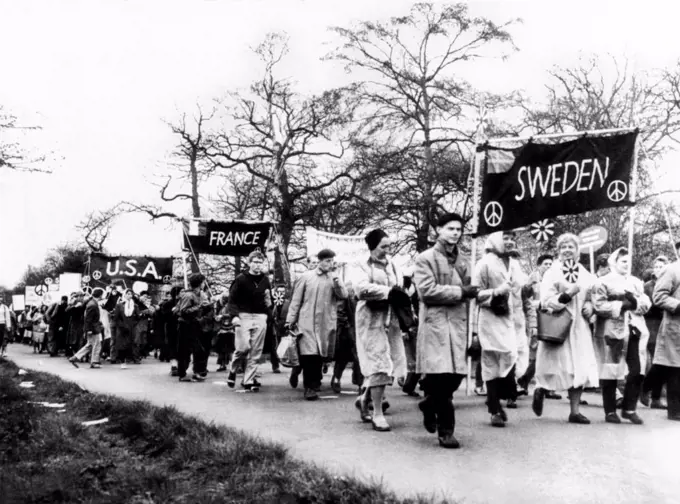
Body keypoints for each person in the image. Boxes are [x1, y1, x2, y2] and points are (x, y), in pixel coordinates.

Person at [413, 213, 479, 449]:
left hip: (459, 325)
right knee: (441, 379)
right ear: (438, 230)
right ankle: (446, 431)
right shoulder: (425, 258)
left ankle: (429, 404)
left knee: (457, 375)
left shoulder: (465, 261)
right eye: (450, 228)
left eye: (459, 229)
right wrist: (461, 292)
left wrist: (474, 329)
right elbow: (427, 291)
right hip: (436, 324)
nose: (455, 233)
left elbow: (473, 294)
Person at [531, 233, 599, 424]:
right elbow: (546, 301)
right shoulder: (552, 273)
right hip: (558, 325)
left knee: (579, 366)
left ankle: (574, 411)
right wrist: (566, 296)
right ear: (559, 252)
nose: (568, 250)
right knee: (555, 364)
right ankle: (541, 388)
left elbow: (594, 295)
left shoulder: (585, 273)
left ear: (578, 251)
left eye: (571, 246)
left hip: (579, 328)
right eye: (564, 247)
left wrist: (591, 306)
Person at [473, 231, 529, 427]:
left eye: (513, 238)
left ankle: (497, 396)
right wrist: (496, 292)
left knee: (512, 357)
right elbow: (475, 293)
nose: (510, 242)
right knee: (491, 362)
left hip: (512, 321)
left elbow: (521, 292)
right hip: (491, 319)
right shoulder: (484, 264)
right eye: (506, 238)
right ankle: (494, 408)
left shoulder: (514, 264)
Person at [354, 229, 407, 432]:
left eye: (389, 246)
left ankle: (364, 397)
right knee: (379, 364)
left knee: (390, 362)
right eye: (383, 246)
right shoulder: (361, 264)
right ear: (372, 246)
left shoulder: (393, 264)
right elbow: (360, 288)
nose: (387, 250)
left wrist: (400, 294)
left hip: (390, 319)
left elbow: (399, 285)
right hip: (369, 319)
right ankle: (377, 413)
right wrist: (388, 292)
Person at [591, 247, 651, 425]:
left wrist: (635, 303)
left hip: (633, 329)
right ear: (614, 262)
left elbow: (646, 302)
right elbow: (599, 306)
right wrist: (620, 305)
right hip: (612, 330)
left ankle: (629, 408)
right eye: (623, 261)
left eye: (628, 261)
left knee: (637, 370)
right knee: (611, 371)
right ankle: (610, 410)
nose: (627, 264)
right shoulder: (602, 282)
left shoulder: (635, 282)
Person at [286, 248, 348, 400]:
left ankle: (315, 382)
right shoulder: (306, 277)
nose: (330, 264)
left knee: (321, 355)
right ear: (320, 261)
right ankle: (309, 387)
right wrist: (290, 320)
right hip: (306, 322)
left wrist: (337, 280)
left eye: (332, 261)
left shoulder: (334, 278)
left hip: (325, 323)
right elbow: (296, 301)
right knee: (309, 355)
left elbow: (344, 295)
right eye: (327, 261)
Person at [227, 251, 272, 391]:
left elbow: (268, 299)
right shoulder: (241, 279)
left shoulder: (265, 280)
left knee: (256, 350)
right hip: (243, 315)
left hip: (260, 316)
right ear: (249, 262)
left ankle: (248, 380)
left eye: (260, 262)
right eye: (255, 262)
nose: (258, 265)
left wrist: (268, 314)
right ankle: (233, 369)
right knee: (243, 347)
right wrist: (233, 315)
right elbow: (232, 299)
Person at [517, 254, 556, 396]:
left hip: (551, 319)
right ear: (539, 265)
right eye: (546, 264)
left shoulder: (553, 279)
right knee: (536, 354)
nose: (548, 266)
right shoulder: (533, 280)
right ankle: (524, 380)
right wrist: (533, 324)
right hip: (536, 320)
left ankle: (546, 387)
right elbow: (526, 301)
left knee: (549, 353)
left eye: (551, 264)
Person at [651, 245, 680, 421]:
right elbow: (659, 296)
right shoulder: (672, 270)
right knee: (675, 369)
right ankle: (675, 411)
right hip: (676, 327)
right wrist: (678, 305)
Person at [640, 256, 669, 409]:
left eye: (661, 266)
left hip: (667, 324)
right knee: (658, 360)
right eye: (656, 266)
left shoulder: (672, 282)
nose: (658, 269)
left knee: (664, 361)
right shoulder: (648, 285)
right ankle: (646, 388)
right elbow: (650, 303)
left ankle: (656, 397)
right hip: (651, 324)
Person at [175, 273, 211, 382]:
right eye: (203, 282)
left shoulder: (201, 294)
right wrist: (199, 306)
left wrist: (208, 306)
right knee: (184, 350)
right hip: (185, 325)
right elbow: (183, 311)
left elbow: (202, 310)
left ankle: (197, 372)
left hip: (195, 324)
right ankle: (182, 374)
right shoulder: (188, 295)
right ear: (200, 283)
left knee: (199, 349)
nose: (205, 284)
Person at [331, 281, 362, 393]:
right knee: (343, 356)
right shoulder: (348, 289)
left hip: (359, 329)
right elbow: (340, 311)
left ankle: (360, 383)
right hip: (348, 330)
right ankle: (336, 379)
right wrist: (346, 325)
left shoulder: (365, 291)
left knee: (358, 357)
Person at [69, 289, 105, 369]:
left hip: (91, 328)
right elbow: (88, 319)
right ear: (100, 295)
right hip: (93, 328)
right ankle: (94, 362)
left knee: (89, 345)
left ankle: (75, 358)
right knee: (97, 345)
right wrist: (89, 330)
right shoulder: (93, 304)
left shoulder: (91, 302)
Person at [113, 289, 141, 369]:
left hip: (131, 327)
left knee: (130, 344)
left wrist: (133, 324)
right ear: (124, 295)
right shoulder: (119, 305)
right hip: (121, 327)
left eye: (131, 294)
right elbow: (116, 318)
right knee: (121, 345)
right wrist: (121, 325)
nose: (129, 295)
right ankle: (122, 361)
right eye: (128, 294)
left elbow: (138, 317)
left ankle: (130, 358)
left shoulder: (135, 305)